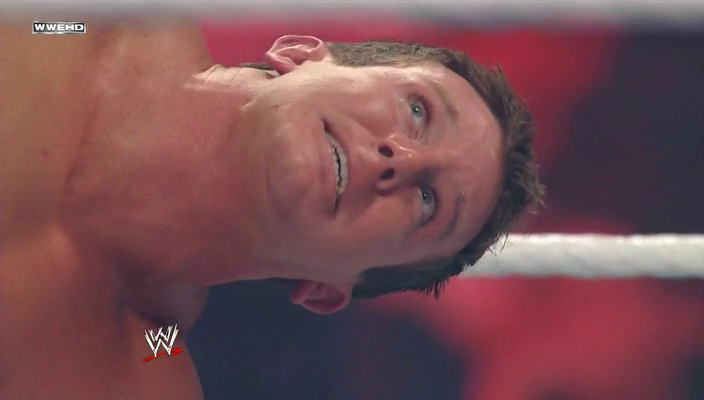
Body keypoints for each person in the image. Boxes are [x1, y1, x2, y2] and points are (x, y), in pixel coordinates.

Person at [0, 17, 542, 399]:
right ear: (301, 52)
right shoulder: (88, 21)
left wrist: (157, 353)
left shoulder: (139, 367)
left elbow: (158, 347)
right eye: (417, 111)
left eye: (428, 203)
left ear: (326, 290)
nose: (399, 158)